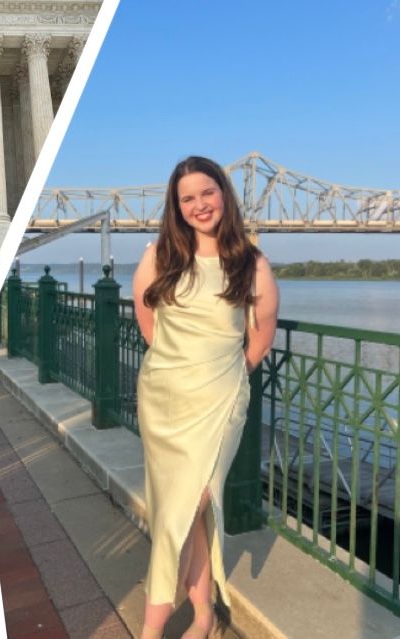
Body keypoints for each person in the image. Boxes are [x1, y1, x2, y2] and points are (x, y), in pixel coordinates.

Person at [131, 156, 278, 639]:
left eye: (207, 193)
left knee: (185, 508)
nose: (199, 205)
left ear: (224, 194)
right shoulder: (159, 257)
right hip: (164, 399)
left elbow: (259, 339)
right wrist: (179, 366)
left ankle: (151, 630)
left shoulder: (250, 263)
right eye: (187, 198)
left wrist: (221, 374)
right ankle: (203, 614)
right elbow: (148, 322)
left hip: (219, 402)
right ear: (176, 206)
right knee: (180, 511)